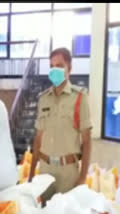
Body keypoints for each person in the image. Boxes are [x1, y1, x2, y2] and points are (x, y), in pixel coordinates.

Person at [29, 48, 92, 206]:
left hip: (68, 173)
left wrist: (82, 178)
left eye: (59, 65)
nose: (54, 70)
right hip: (44, 171)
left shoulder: (79, 98)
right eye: (51, 66)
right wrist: (31, 175)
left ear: (69, 68)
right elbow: (38, 139)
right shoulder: (44, 99)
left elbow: (87, 141)